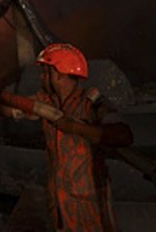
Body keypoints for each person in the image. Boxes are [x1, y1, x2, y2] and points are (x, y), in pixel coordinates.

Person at [32, 43, 134, 232]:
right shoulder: (45, 103)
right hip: (60, 211)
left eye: (46, 73)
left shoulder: (91, 103)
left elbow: (123, 135)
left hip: (90, 212)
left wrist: (74, 127)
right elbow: (12, 108)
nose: (42, 77)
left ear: (60, 74)